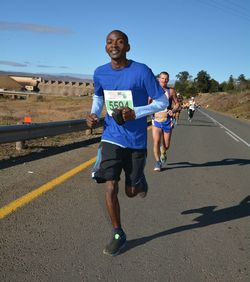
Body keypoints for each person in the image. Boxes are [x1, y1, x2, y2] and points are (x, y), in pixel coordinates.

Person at [86, 30, 169, 256]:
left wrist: (137, 112)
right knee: (109, 184)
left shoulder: (141, 71)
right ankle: (118, 233)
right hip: (111, 136)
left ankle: (139, 183)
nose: (114, 45)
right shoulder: (100, 72)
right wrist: (94, 114)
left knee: (131, 191)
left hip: (136, 140)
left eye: (119, 42)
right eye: (109, 42)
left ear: (127, 47)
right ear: (105, 47)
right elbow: (98, 96)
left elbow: (162, 101)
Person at [151, 71, 180, 171]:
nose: (164, 80)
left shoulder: (170, 91)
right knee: (156, 141)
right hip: (156, 120)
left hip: (167, 120)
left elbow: (177, 104)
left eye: (166, 78)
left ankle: (163, 151)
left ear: (168, 79)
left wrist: (173, 110)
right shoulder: (153, 90)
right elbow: (148, 104)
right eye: (162, 78)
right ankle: (158, 162)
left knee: (166, 145)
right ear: (158, 79)